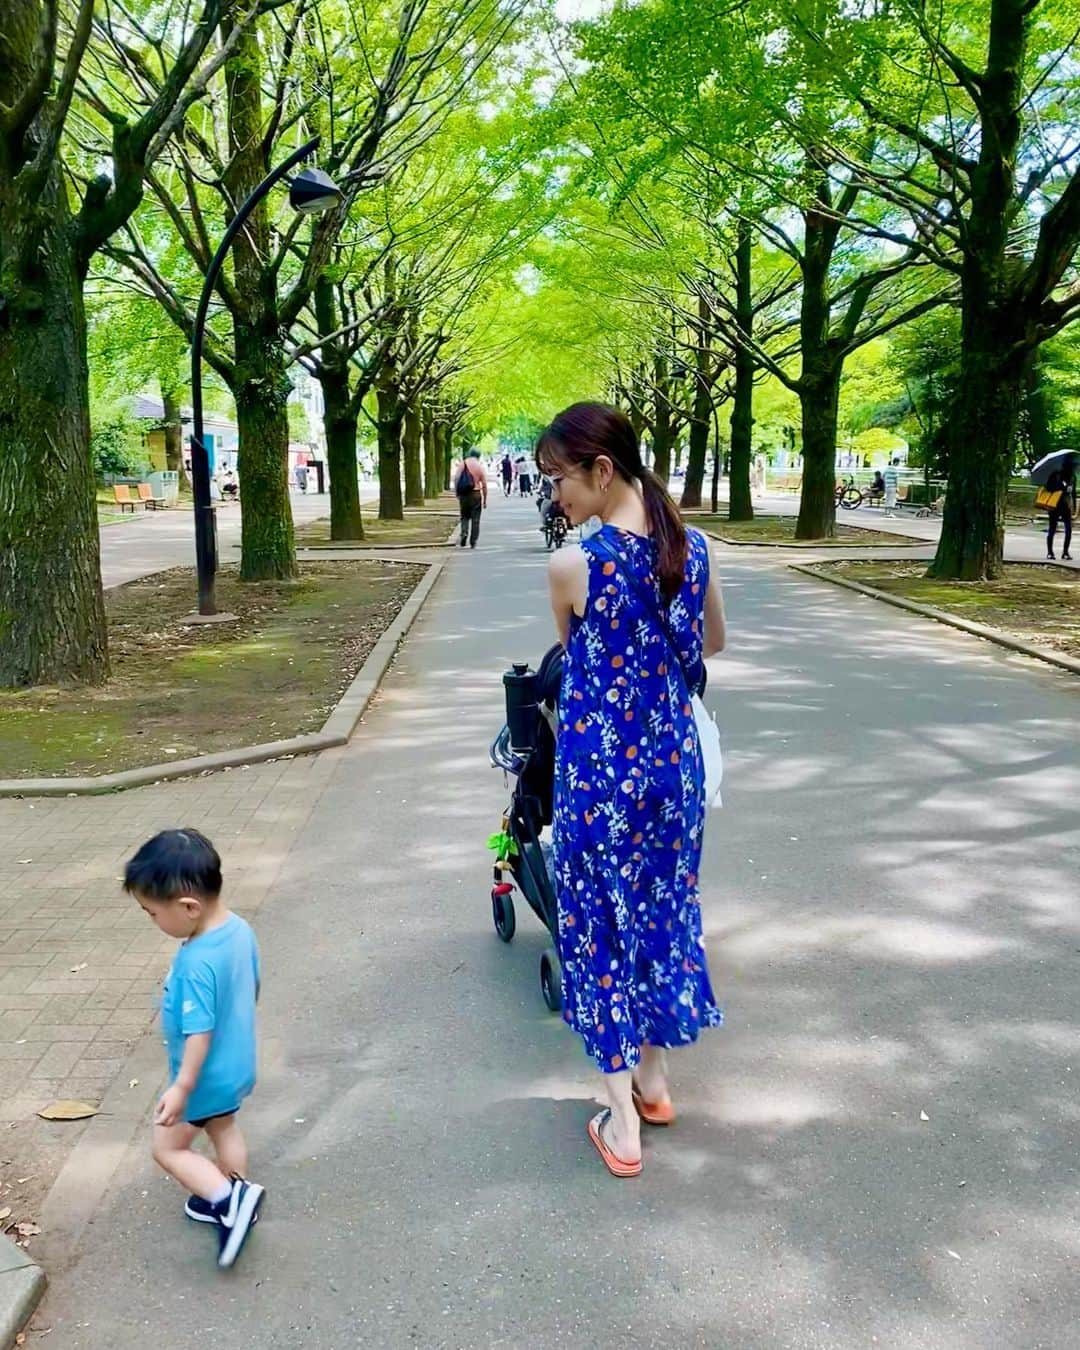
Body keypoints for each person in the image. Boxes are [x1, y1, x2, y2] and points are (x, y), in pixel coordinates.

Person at [538, 402, 726, 1179]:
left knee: (595, 930)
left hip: (598, 778)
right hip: (672, 773)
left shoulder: (575, 565)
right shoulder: (697, 548)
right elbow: (710, 642)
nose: (556, 498)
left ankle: (621, 1121)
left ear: (602, 470)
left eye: (560, 481)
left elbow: (569, 648)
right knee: (658, 916)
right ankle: (652, 1079)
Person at [124, 829, 264, 1269]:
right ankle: (233, 1194)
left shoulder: (195, 961)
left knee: (167, 1149)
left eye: (151, 913)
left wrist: (183, 1088)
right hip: (237, 1064)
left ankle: (227, 1197)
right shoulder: (239, 929)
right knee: (223, 1128)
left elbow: (198, 1032)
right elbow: (251, 988)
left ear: (188, 907)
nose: (152, 921)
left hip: (202, 1077)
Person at [454, 449, 488, 548]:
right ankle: (473, 541)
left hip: (464, 494)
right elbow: (484, 485)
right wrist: (485, 500)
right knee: (475, 519)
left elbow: (456, 478)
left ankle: (464, 533)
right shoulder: (480, 467)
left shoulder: (463, 464)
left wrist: (457, 492)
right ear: (479, 456)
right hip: (476, 494)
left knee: (464, 516)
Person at [1045, 454, 1076, 560]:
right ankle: (1050, 552)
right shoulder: (1055, 475)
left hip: (1066, 506)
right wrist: (1061, 487)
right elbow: (1048, 488)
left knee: (1069, 529)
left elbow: (1073, 494)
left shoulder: (1072, 477)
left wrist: (1074, 509)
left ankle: (1065, 552)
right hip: (1055, 506)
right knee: (1052, 529)